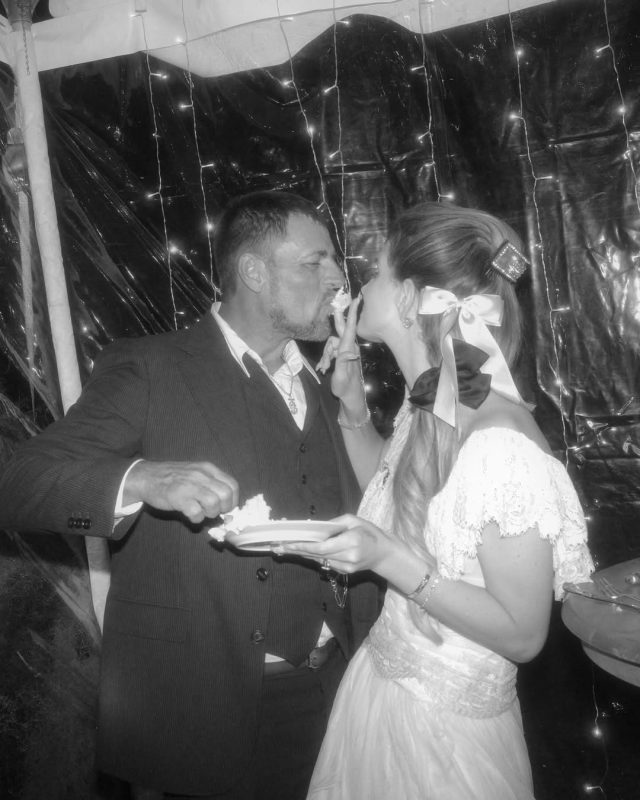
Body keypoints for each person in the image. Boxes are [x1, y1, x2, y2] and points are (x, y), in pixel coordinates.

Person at [0, 190, 381, 800]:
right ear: (254, 271)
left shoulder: (328, 382)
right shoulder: (151, 367)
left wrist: (352, 405)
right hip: (203, 708)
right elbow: (18, 482)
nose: (338, 278)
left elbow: (374, 509)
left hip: (340, 691)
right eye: (316, 262)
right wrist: (141, 478)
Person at [280, 200, 594, 799]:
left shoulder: (500, 444)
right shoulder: (436, 399)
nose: (359, 285)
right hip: (381, 697)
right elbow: (402, 501)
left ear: (408, 298)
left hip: (446, 744)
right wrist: (352, 407)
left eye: (376, 272)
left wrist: (388, 559)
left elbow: (524, 635)